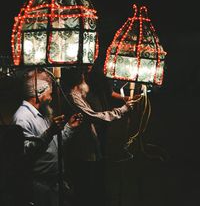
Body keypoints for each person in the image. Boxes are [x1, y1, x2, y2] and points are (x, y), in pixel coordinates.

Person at [61, 67, 142, 206]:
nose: (86, 79)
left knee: (93, 185)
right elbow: (95, 117)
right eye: (83, 77)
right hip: (82, 152)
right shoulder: (73, 97)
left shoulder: (81, 94)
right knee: (84, 190)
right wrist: (123, 110)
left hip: (91, 146)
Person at [12, 73, 83, 206]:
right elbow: (25, 152)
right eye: (49, 94)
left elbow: (55, 144)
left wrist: (70, 127)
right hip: (38, 186)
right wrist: (50, 132)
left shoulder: (43, 113)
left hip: (54, 183)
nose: (51, 98)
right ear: (39, 94)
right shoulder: (22, 117)